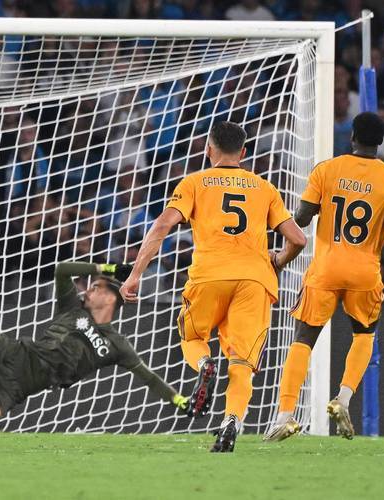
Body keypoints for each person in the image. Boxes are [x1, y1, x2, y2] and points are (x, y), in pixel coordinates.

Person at [119, 121, 307, 452]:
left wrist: (135, 274)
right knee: (241, 361)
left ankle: (204, 365)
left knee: (193, 338)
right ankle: (231, 421)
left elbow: (162, 225)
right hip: (254, 280)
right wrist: (278, 261)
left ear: (209, 149)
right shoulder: (264, 187)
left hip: (209, 275)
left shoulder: (194, 182)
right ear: (243, 152)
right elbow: (298, 239)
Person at [0, 249, 197, 433]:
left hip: (20, 386)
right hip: (14, 353)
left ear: (111, 297)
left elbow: (148, 377)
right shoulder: (72, 307)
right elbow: (62, 269)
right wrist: (107, 267)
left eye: (96, 287)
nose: (88, 290)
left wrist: (180, 401)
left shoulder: (117, 344)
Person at [264, 112, 384, 443]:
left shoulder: (327, 170)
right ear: (381, 142)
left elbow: (302, 218)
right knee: (364, 335)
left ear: (352, 136)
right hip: (364, 272)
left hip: (326, 268)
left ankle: (285, 415)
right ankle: (343, 399)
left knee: (303, 339)